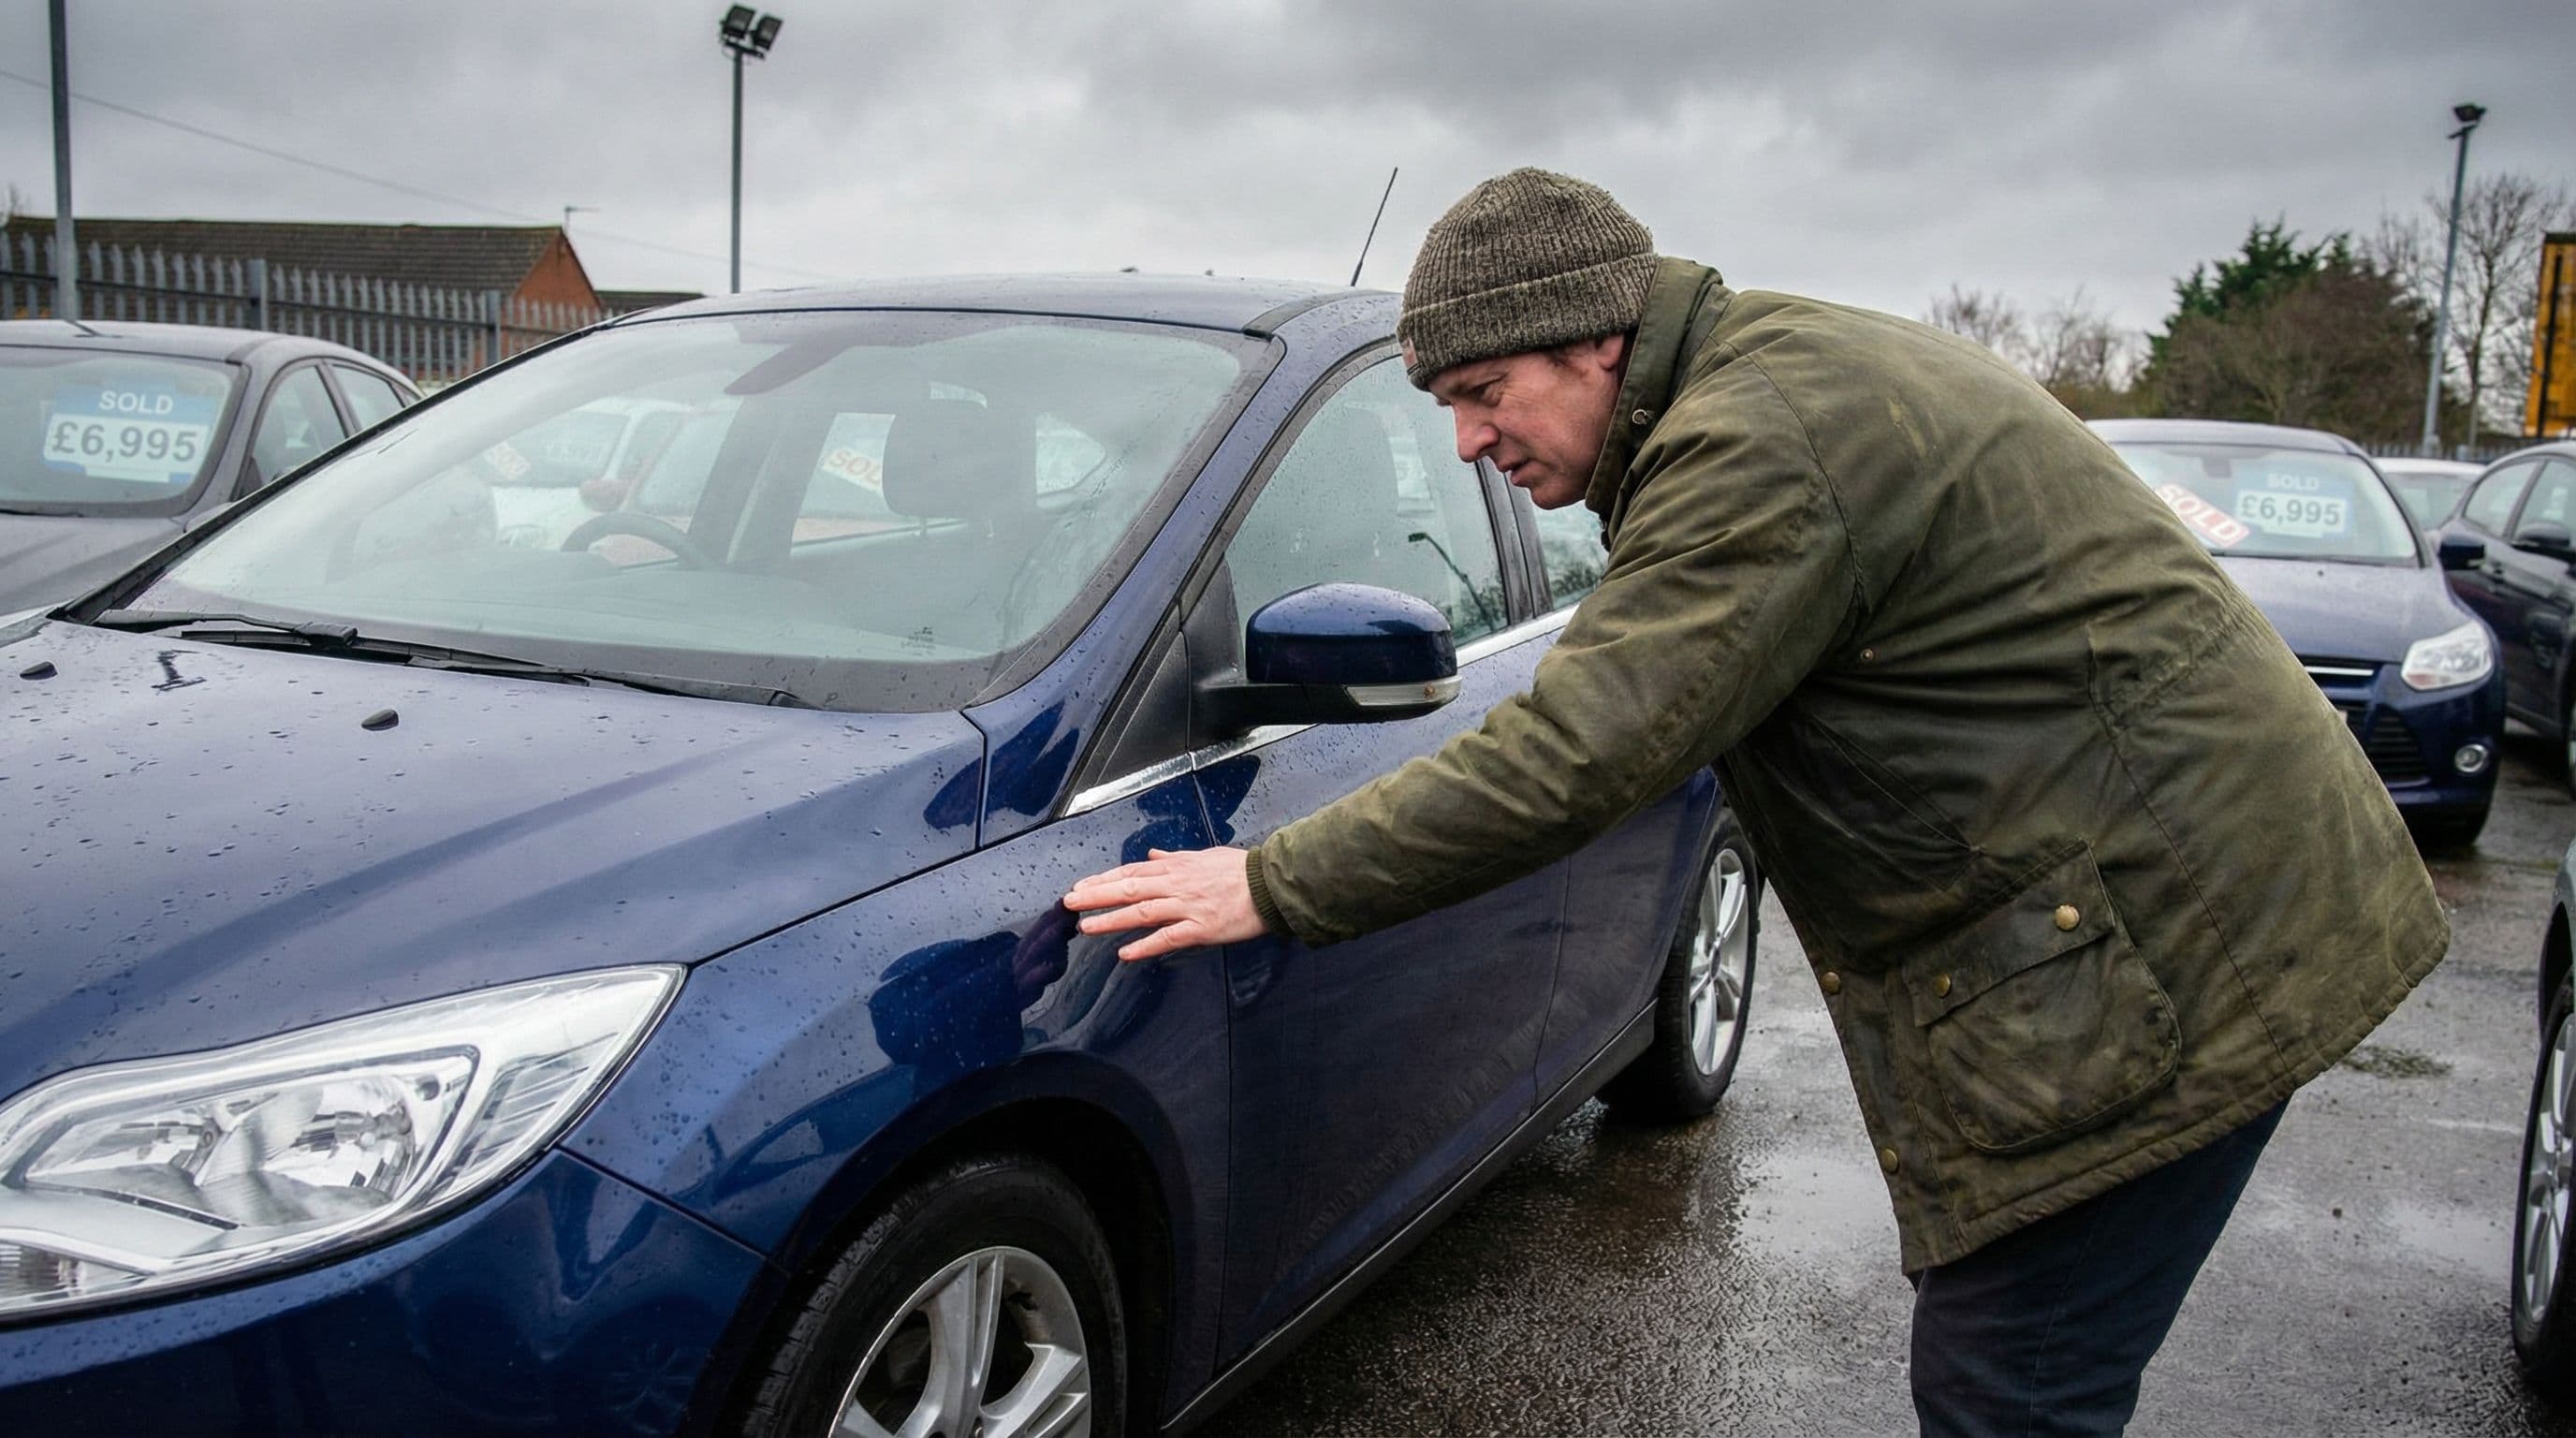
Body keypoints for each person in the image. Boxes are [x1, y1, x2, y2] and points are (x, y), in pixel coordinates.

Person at [1062, 168, 2445, 1435]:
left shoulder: (1762, 438)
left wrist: (1270, 880)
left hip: (2189, 930)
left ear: (1595, 338)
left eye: (1485, 390)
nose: (1472, 442)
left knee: (2012, 1385)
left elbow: (1579, 750)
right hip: (2175, 884)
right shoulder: (1761, 373)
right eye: (1448, 408)